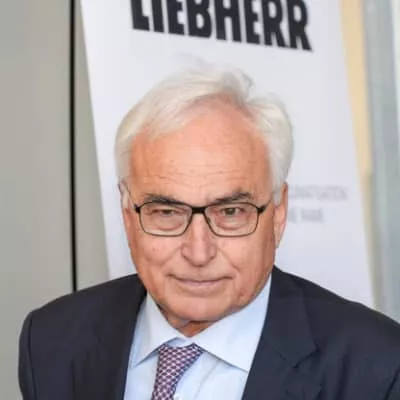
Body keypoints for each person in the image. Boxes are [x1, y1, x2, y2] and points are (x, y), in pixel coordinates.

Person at [19, 65, 400, 400]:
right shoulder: (53, 342)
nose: (198, 253)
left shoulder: (378, 367)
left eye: (231, 212)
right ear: (127, 213)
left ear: (278, 213)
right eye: (167, 212)